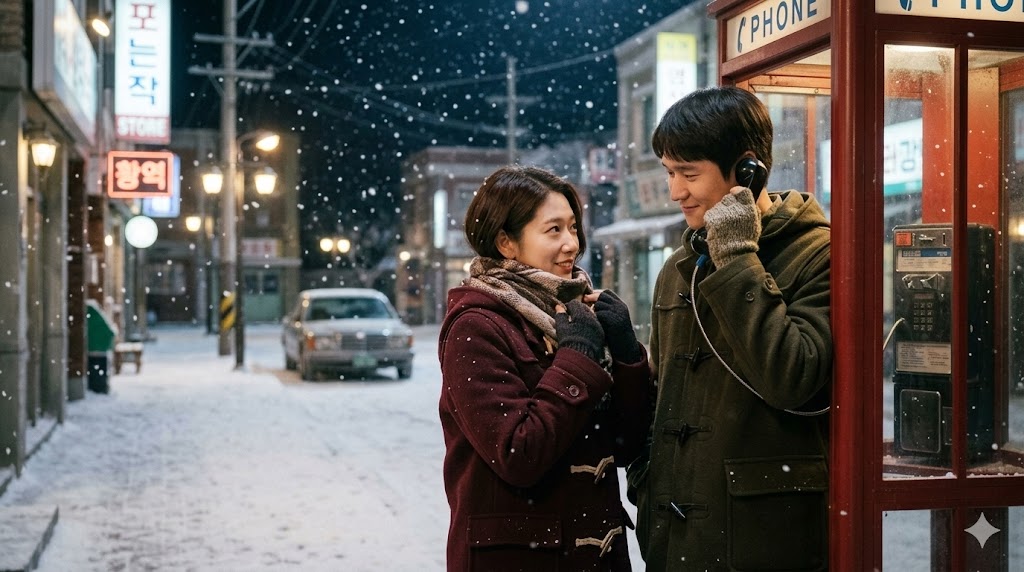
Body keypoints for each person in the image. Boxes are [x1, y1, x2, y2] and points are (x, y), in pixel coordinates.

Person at [627, 86, 832, 570]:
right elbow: (661, 396)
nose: (676, 192)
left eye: (689, 174)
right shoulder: (680, 265)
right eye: (669, 173)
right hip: (673, 528)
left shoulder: (817, 253)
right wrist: (646, 477)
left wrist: (737, 257)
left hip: (759, 534)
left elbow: (794, 377)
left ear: (746, 170)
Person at [438, 165, 652, 571]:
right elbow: (518, 454)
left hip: (595, 555)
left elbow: (626, 445)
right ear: (506, 242)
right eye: (553, 230)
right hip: (522, 557)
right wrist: (575, 357)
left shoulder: (573, 313)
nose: (571, 243)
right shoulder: (476, 325)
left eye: (573, 227)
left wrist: (625, 354)